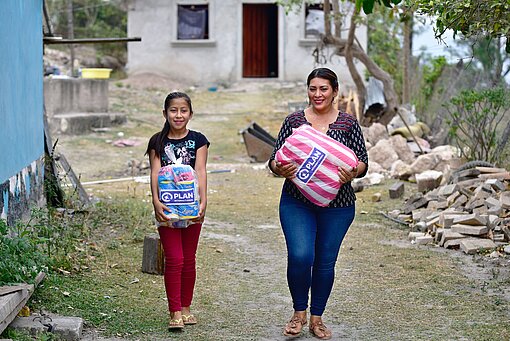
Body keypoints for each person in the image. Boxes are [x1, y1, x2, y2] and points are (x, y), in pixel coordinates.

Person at [268, 68, 368, 340]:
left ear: (335, 91)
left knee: (325, 263)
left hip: (339, 206)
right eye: (313, 88)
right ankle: (298, 312)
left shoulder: (347, 123)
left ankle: (317, 318)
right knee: (301, 256)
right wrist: (280, 168)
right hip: (297, 202)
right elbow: (274, 159)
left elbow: (362, 160)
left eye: (324, 88)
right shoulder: (294, 121)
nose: (318, 94)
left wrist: (353, 172)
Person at [146, 91, 209, 330]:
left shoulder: (199, 140)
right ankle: (174, 312)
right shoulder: (157, 142)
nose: (178, 115)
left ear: (190, 114)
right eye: (173, 110)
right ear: (165, 113)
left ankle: (186, 308)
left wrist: (203, 202)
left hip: (192, 207)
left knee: (189, 259)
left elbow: (201, 171)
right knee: (175, 258)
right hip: (167, 207)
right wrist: (155, 201)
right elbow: (154, 173)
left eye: (183, 110)